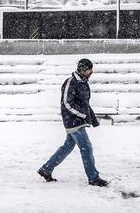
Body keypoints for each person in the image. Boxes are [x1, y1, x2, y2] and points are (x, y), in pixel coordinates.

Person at [37, 58, 109, 187]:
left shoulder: (83, 82)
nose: (91, 72)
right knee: (86, 148)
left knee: (67, 147)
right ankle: (93, 178)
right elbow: (67, 103)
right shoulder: (71, 82)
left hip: (79, 120)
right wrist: (82, 114)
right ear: (81, 69)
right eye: (88, 70)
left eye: (91, 70)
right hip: (72, 121)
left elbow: (85, 103)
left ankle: (46, 169)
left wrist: (91, 117)